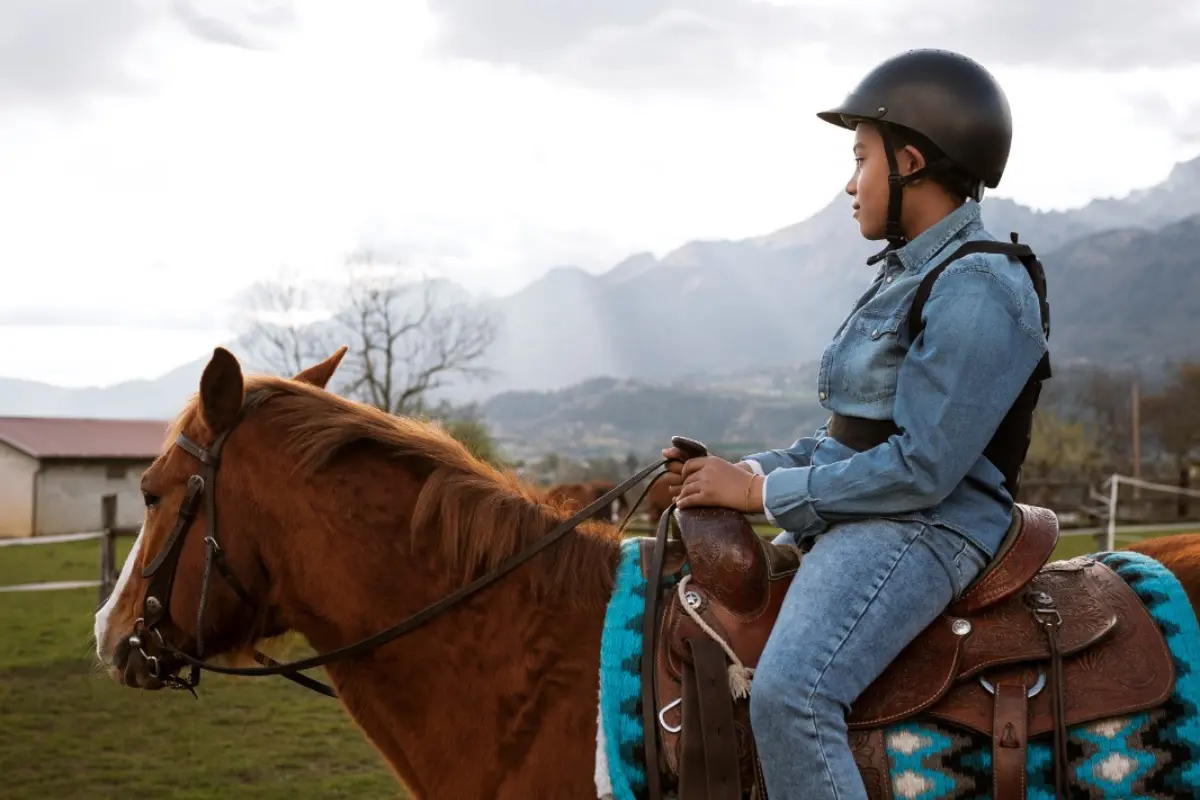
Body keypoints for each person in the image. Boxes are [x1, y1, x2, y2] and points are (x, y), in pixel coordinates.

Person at [661, 49, 1050, 799]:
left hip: (927, 526)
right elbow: (846, 440)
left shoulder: (978, 287)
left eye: (860, 157)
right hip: (878, 509)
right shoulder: (906, 274)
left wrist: (758, 498)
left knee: (791, 695)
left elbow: (922, 469)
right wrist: (739, 472)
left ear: (909, 162)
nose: (849, 182)